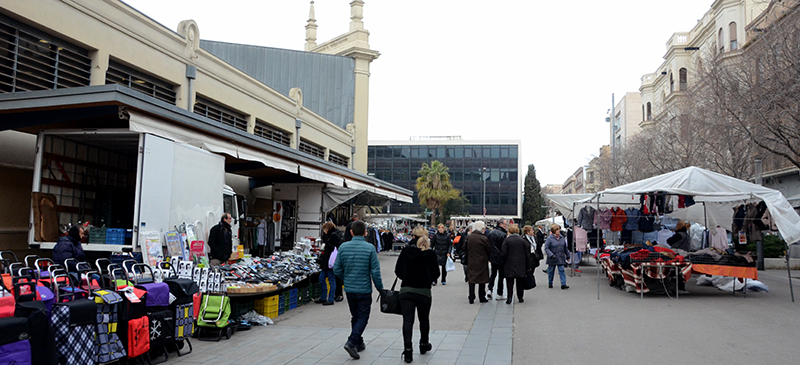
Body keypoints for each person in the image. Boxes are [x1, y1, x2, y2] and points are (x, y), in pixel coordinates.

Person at [333, 220, 384, 360]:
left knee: (355, 316)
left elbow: (336, 269)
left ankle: (358, 342)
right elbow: (375, 272)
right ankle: (351, 341)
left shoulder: (343, 247)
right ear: (366, 232)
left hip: (349, 289)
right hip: (364, 289)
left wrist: (346, 278)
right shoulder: (370, 248)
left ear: (351, 232)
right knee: (363, 316)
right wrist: (380, 289)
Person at [395, 226, 440, 363]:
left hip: (407, 290)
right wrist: (427, 279)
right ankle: (423, 344)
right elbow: (436, 274)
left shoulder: (406, 251)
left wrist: (407, 277)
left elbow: (398, 270)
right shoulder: (430, 254)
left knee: (408, 321)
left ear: (413, 237)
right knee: (424, 319)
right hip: (424, 291)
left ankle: (408, 350)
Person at [501, 224, 533, 304]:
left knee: (509, 282)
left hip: (509, 264)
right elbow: (527, 254)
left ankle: (509, 298)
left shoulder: (507, 240)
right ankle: (520, 297)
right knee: (520, 282)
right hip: (521, 265)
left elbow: (503, 253)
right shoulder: (522, 241)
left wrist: (502, 262)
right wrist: (528, 266)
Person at [464, 221, 492, 304]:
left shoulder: (469, 237)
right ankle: (481, 296)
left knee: (471, 279)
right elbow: (489, 250)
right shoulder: (484, 238)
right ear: (482, 229)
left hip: (471, 260)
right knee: (481, 280)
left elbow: (463, 248)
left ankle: (471, 296)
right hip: (482, 261)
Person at [316, 222, 341, 305]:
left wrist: (326, 244)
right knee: (322, 278)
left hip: (330, 262)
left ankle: (330, 299)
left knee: (331, 280)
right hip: (327, 261)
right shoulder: (331, 235)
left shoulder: (333, 236)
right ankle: (324, 297)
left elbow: (336, 247)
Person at [486, 218, 508, 300]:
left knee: (493, 274)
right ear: (501, 224)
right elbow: (504, 248)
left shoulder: (490, 233)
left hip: (492, 256)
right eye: (505, 224)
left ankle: (489, 289)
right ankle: (499, 293)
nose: (506, 226)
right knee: (501, 276)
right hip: (501, 257)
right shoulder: (503, 235)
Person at [545, 224, 569, 289]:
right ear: (554, 230)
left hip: (560, 257)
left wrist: (568, 255)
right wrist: (551, 255)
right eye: (558, 229)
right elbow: (546, 248)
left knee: (561, 270)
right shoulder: (549, 238)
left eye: (559, 229)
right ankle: (550, 282)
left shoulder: (562, 237)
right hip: (552, 257)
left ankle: (563, 284)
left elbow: (565, 247)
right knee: (551, 271)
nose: (559, 231)